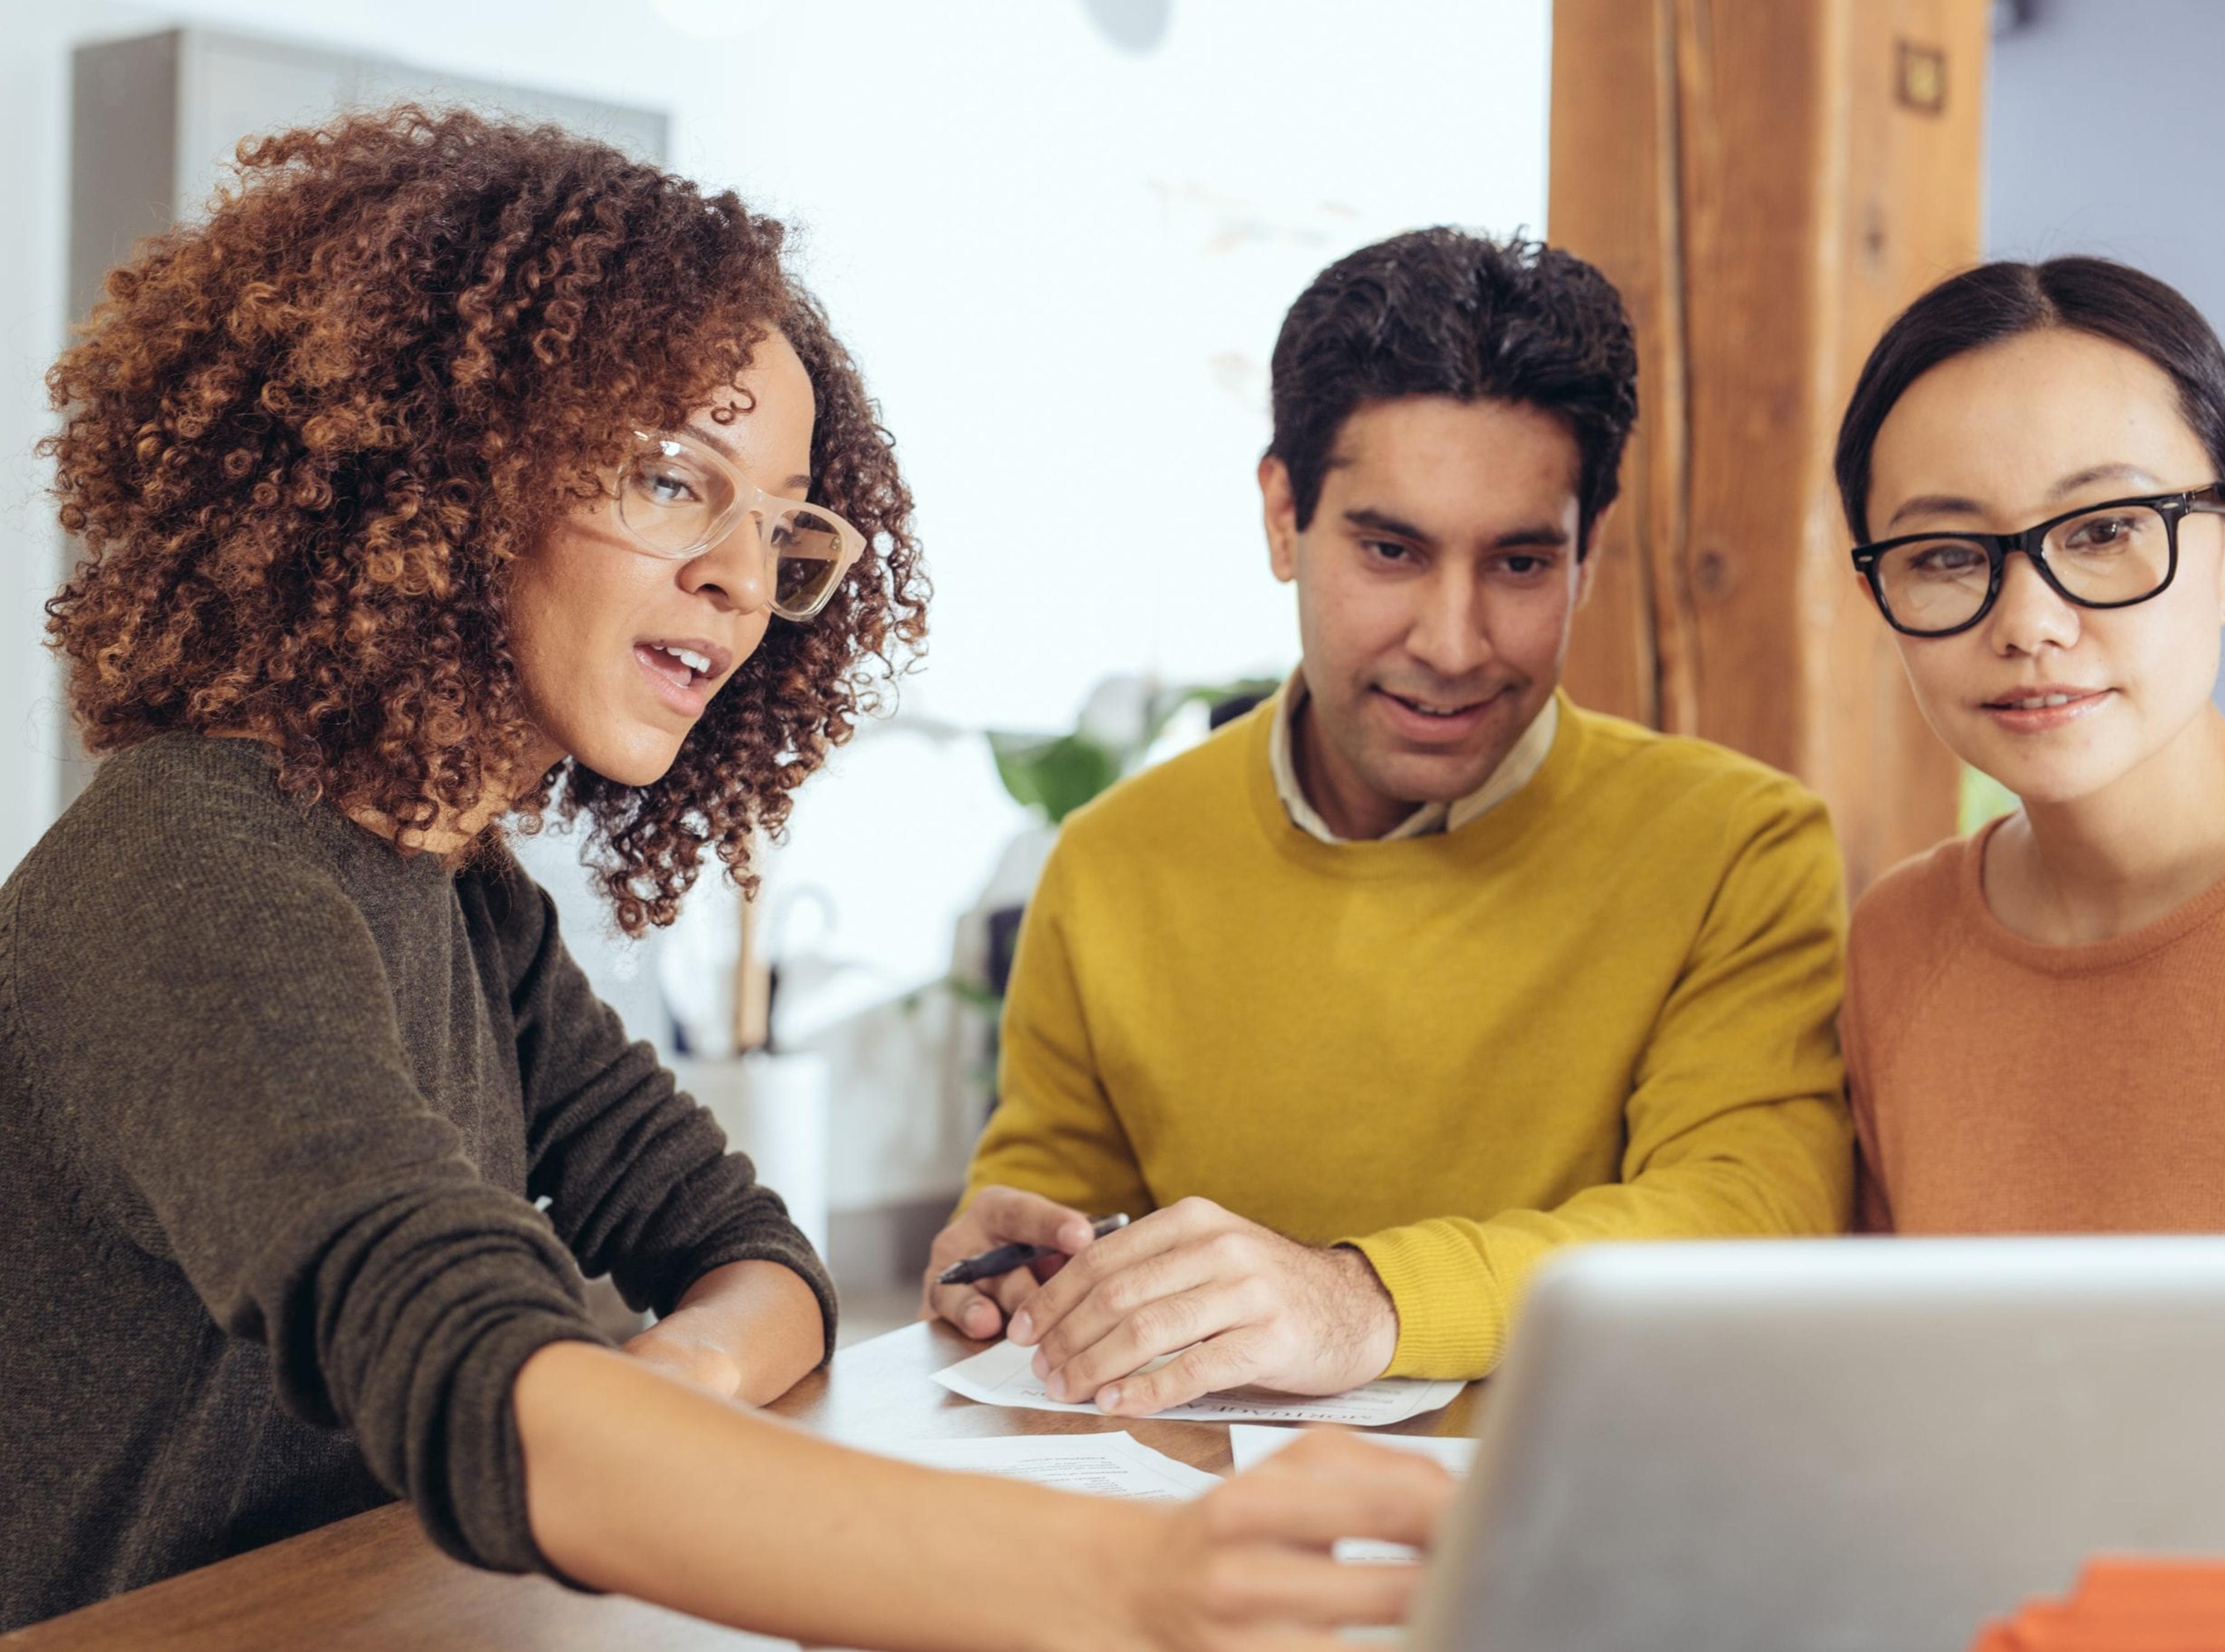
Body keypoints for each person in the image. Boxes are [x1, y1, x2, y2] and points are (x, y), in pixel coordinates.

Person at [0, 107, 1455, 1646]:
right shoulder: (191, 870)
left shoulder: (465, 894)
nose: (746, 585)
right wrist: (1134, 1579)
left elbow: (752, 1252)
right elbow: (481, 1386)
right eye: (675, 482)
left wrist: (669, 1385)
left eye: (783, 529)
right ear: (445, 467)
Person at [924, 228, 1854, 1413]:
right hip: (1197, 1553)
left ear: (1589, 552)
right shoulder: (1114, 862)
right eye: (1391, 550)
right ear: (1281, 515)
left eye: (1520, 563)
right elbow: (1050, 1201)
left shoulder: (1738, 849)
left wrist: (1359, 1301)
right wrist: (1009, 1270)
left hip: (1584, 1544)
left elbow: (1746, 1219)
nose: (1454, 643)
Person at [1835, 256, 2225, 1234]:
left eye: (2103, 531)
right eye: (1944, 556)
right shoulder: (1900, 943)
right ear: (1879, 599)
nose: (2029, 623)